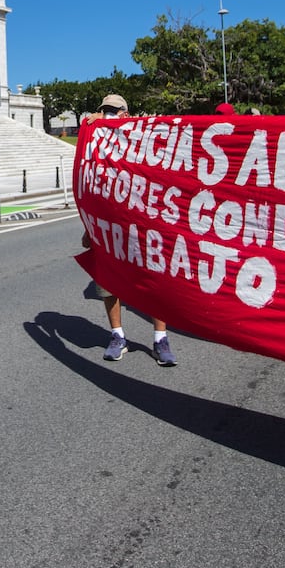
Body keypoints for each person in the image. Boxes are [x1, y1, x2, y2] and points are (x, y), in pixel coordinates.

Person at [81, 93, 177, 366]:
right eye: (104, 110)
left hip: (143, 227)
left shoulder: (140, 137)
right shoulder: (98, 145)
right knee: (108, 283)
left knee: (154, 281)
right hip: (108, 228)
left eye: (113, 111)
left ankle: (160, 339)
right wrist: (89, 227)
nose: (107, 115)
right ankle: (117, 336)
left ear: (125, 114)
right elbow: (89, 188)